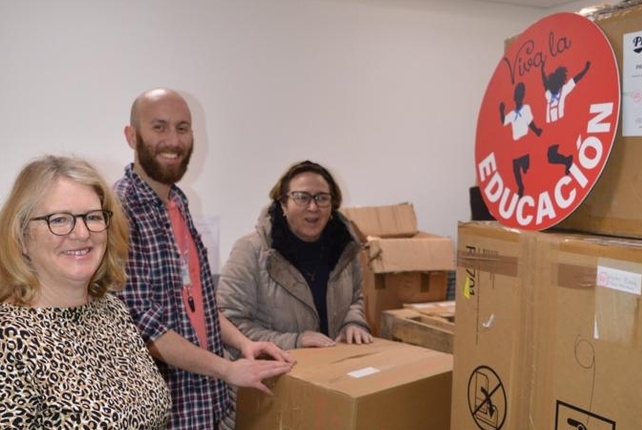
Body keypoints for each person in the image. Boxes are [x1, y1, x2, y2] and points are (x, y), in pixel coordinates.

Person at [114, 88, 295, 429]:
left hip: (206, 404)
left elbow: (197, 302)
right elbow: (140, 326)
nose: (173, 140)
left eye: (182, 128)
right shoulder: (120, 211)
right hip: (167, 414)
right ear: (131, 135)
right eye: (159, 127)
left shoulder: (178, 202)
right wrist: (228, 368)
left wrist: (245, 344)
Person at [0, 155, 171, 429]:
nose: (82, 233)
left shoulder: (112, 310)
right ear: (21, 238)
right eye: (58, 220)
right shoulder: (8, 338)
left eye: (92, 217)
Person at [217, 160, 373, 352]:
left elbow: (355, 298)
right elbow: (229, 322)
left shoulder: (346, 249)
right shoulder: (250, 251)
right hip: (273, 375)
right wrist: (294, 341)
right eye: (302, 197)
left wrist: (354, 323)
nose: (313, 207)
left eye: (322, 198)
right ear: (283, 203)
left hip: (333, 367)